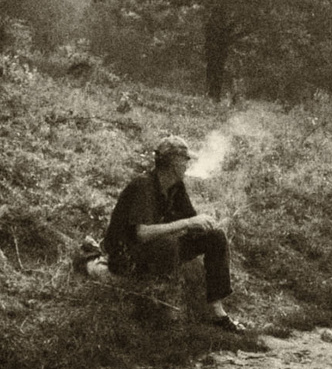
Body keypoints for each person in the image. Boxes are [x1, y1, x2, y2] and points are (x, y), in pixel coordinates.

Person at [100, 135, 244, 332]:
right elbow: (141, 234)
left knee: (215, 237)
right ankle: (164, 309)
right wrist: (187, 222)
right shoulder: (143, 185)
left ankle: (216, 311)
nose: (187, 164)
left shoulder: (175, 186)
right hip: (125, 256)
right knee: (168, 244)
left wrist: (207, 225)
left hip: (150, 251)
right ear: (174, 162)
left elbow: (190, 224)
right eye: (185, 160)